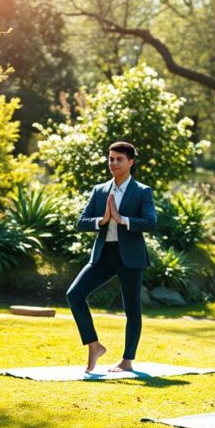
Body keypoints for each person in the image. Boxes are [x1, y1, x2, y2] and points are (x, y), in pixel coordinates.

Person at [67, 141, 157, 373]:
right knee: (74, 295)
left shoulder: (142, 191)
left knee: (132, 310)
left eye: (119, 159)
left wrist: (122, 218)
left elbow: (151, 222)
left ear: (131, 162)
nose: (113, 163)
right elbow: (80, 222)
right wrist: (103, 220)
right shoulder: (99, 190)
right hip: (103, 255)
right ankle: (94, 345)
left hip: (130, 257)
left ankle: (127, 360)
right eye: (110, 159)